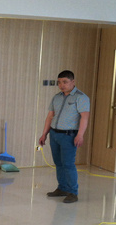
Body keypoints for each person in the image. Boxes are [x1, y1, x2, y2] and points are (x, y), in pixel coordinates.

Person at [38, 70, 90, 204]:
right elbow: (50, 116)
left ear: (73, 82)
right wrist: (44, 134)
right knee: (59, 163)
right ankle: (62, 188)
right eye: (59, 82)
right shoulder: (56, 97)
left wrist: (80, 135)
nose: (62, 85)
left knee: (68, 164)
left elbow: (84, 117)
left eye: (65, 82)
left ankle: (73, 192)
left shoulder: (81, 97)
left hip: (69, 136)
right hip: (54, 134)